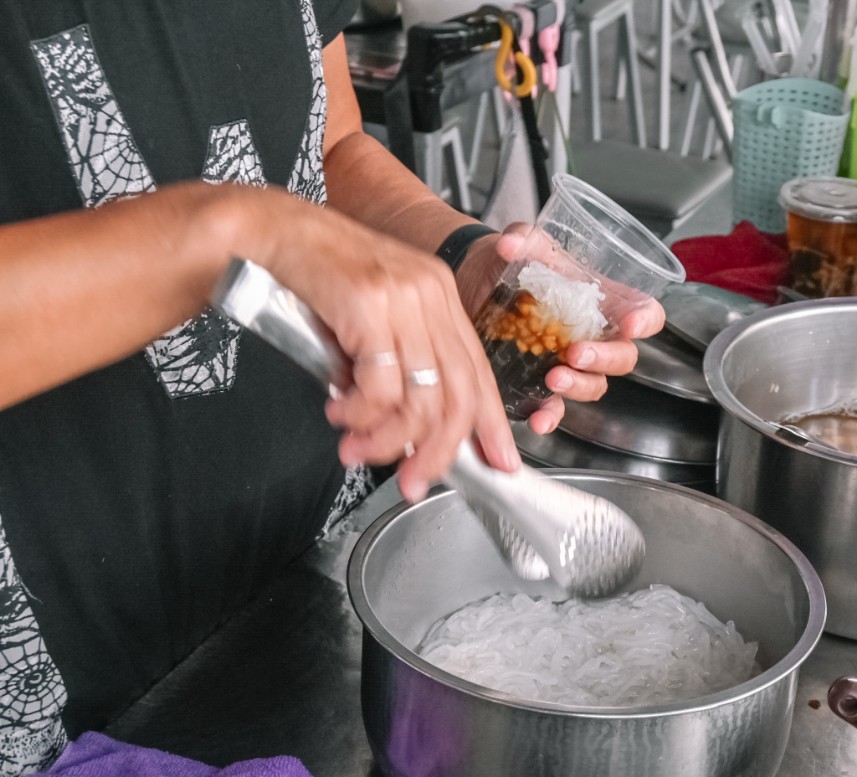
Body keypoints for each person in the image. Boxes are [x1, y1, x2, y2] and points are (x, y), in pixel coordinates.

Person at [0, 2, 663, 774]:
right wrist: (220, 236)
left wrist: (456, 257)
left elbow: (330, 144)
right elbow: (252, 222)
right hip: (57, 680)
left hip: (303, 578)